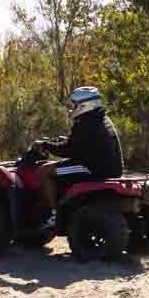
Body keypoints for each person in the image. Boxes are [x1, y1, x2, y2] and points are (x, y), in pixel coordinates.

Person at [32, 85, 124, 229]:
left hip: (92, 169)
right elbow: (79, 145)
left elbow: (67, 151)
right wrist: (60, 141)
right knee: (60, 166)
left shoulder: (84, 123)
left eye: (74, 105)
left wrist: (45, 145)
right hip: (111, 168)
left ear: (83, 105)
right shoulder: (101, 119)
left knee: (45, 170)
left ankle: (53, 215)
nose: (72, 108)